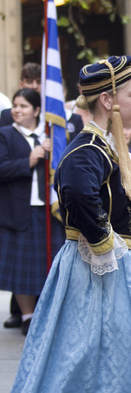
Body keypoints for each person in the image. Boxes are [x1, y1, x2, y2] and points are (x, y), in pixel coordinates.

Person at [0, 56, 131, 393]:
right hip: (100, 277)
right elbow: (78, 193)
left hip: (122, 275)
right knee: (101, 379)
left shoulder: (112, 148)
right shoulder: (89, 148)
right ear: (108, 101)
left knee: (121, 374)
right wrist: (103, 245)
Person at [0, 88, 66, 335]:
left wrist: (52, 152)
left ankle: (48, 312)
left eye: (23, 106)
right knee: (22, 268)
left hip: (49, 210)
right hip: (19, 211)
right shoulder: (5, 134)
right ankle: (27, 316)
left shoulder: (52, 136)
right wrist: (29, 160)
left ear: (37, 110)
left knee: (47, 264)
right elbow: (2, 167)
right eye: (15, 105)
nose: (17, 110)